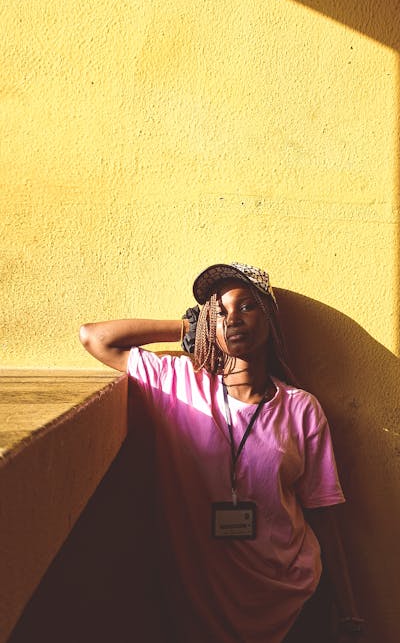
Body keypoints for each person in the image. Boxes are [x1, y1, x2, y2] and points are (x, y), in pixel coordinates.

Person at [79, 262, 364, 643]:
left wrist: (348, 614)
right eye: (220, 311)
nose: (233, 320)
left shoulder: (301, 408)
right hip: (200, 614)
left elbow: (324, 518)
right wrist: (187, 328)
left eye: (246, 307)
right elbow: (94, 337)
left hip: (290, 605)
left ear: (269, 319)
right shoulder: (177, 384)